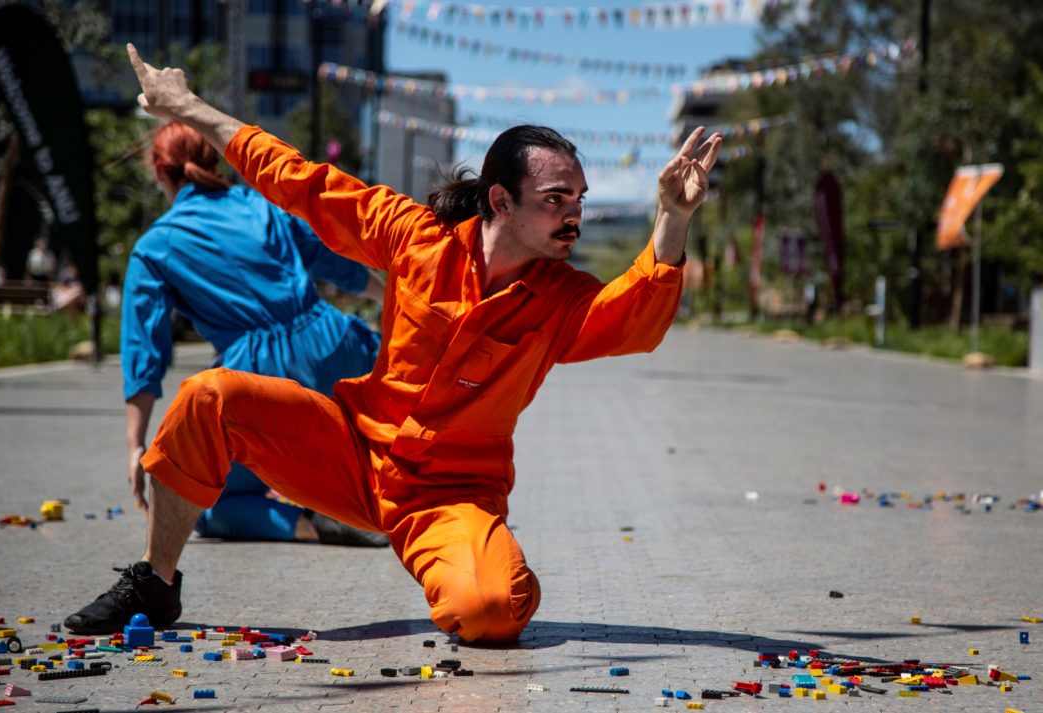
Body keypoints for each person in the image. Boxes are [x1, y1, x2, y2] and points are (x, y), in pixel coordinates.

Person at [64, 44, 722, 642]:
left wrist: (672, 216)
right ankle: (156, 578)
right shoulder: (414, 235)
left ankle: (479, 552)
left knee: (493, 610)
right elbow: (296, 178)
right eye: (556, 198)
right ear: (500, 200)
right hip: (352, 453)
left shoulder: (559, 296)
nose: (574, 213)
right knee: (208, 397)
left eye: (579, 198)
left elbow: (634, 317)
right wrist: (188, 107)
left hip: (451, 496)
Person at [119, 121, 389, 548]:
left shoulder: (154, 247)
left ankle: (310, 524)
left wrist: (136, 446)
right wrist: (387, 294)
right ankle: (396, 500)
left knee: (200, 502)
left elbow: (144, 350)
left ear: (159, 174)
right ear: (214, 159)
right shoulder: (264, 204)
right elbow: (332, 260)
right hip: (336, 343)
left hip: (258, 373)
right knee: (377, 447)